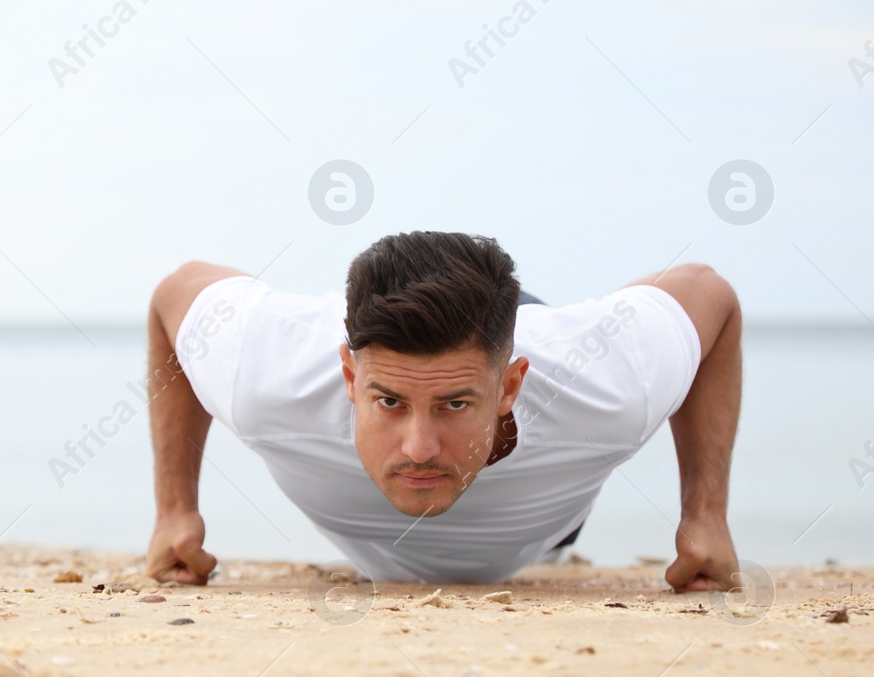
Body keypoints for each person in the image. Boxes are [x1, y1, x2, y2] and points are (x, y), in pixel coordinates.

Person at [143, 231, 742, 591]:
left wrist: (706, 515)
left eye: (454, 404)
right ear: (350, 378)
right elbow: (178, 292)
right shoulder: (267, 375)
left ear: (510, 389)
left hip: (553, 510)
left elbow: (706, 291)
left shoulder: (607, 389)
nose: (419, 447)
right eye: (389, 403)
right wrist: (175, 510)